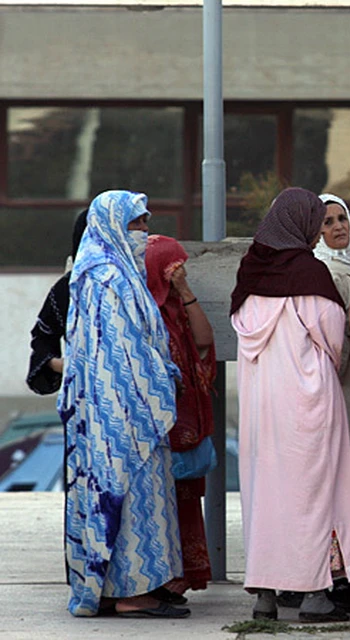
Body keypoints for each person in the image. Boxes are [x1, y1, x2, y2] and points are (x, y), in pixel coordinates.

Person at [231, 187, 350, 623]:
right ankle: (315, 596)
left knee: (266, 495)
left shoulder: (250, 271)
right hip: (308, 402)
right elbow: (332, 336)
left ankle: (265, 597)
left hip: (259, 405)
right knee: (315, 494)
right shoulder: (310, 273)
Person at [58, 190, 188, 618]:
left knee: (126, 499)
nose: (144, 233)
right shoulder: (106, 277)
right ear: (114, 225)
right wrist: (161, 378)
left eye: (146, 223)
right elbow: (122, 350)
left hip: (118, 410)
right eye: (137, 224)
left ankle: (116, 589)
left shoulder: (108, 272)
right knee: (133, 498)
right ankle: (133, 593)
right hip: (123, 413)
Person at [145, 235, 216, 599]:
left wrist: (185, 290)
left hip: (187, 431)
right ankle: (160, 581)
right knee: (159, 506)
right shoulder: (146, 314)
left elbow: (204, 340)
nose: (179, 270)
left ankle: (182, 579)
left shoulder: (178, 309)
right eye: (173, 265)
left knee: (186, 504)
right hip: (160, 433)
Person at [312, 193, 350, 530]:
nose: (338, 227)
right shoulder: (326, 272)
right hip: (343, 382)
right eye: (328, 222)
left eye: (342, 219)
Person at [26, 209, 87, 395]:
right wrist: (63, 366)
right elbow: (43, 336)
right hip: (86, 401)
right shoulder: (69, 288)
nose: (143, 231)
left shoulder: (145, 284)